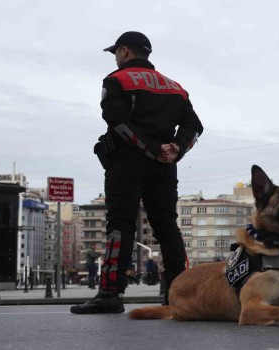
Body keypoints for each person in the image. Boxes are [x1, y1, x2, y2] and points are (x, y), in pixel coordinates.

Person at [71, 32, 204, 314]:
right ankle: (179, 293)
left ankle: (110, 292)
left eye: (116, 53)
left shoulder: (116, 80)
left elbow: (116, 121)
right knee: (167, 226)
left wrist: (149, 149)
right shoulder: (176, 87)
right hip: (165, 167)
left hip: (127, 163)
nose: (116, 58)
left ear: (124, 51)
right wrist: (176, 150)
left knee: (120, 224)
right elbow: (195, 126)